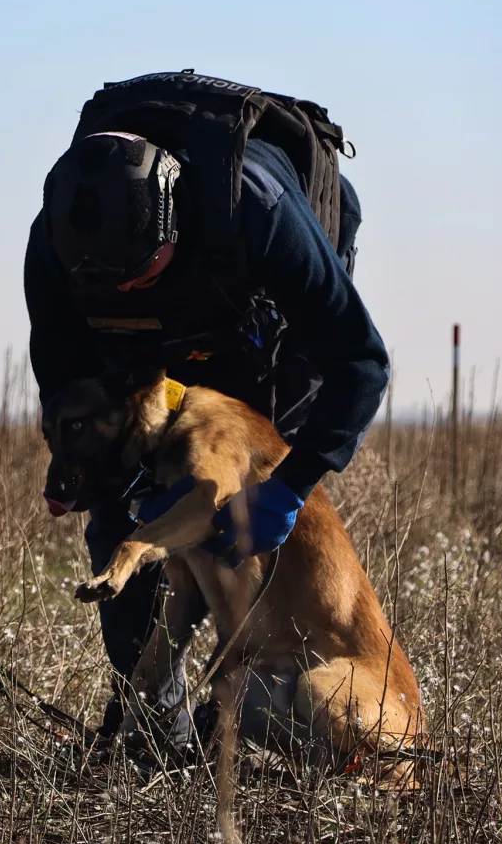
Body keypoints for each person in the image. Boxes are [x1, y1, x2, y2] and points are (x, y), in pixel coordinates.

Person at [23, 71, 389, 749]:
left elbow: (362, 365)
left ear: (171, 224)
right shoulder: (56, 245)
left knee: (234, 523)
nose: (128, 289)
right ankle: (154, 720)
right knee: (128, 527)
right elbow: (66, 381)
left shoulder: (258, 208)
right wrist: (80, 468)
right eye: (113, 284)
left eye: (140, 275)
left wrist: (289, 485)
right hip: (146, 368)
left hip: (263, 342)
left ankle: (240, 699)